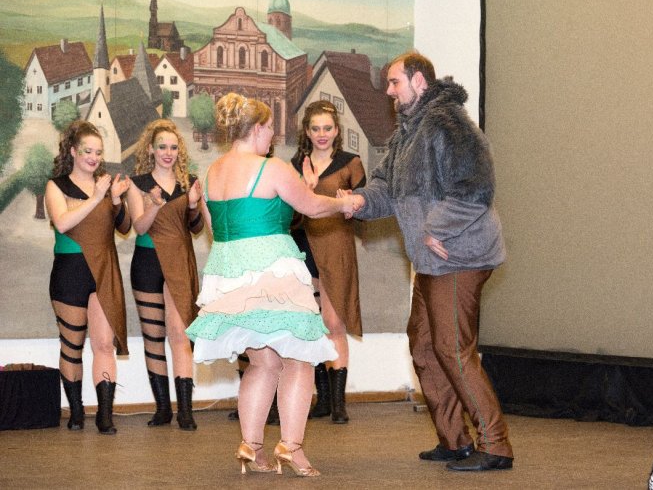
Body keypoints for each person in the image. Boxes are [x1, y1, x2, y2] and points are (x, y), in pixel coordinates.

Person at [342, 51, 514, 471]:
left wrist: (436, 227)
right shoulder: (407, 132)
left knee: (451, 348)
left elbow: (476, 186)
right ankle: (455, 441)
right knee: (422, 344)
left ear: (419, 81)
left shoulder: (447, 122)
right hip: (431, 260)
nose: (389, 91)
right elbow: (385, 187)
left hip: (459, 256)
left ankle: (495, 445)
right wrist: (359, 201)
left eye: (394, 82)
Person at [185, 93, 359, 477]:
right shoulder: (272, 167)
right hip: (272, 269)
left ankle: (251, 445)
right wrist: (343, 204)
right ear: (257, 128)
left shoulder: (213, 172)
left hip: (228, 270)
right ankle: (291, 447)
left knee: (262, 363)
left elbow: (215, 230)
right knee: (298, 360)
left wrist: (304, 188)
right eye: (269, 130)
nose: (272, 138)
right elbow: (312, 206)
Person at [45, 120, 131, 434]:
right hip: (70, 272)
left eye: (98, 152)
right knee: (72, 347)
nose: (94, 157)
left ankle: (105, 416)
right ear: (73, 151)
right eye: (87, 151)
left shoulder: (106, 185)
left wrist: (116, 199)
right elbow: (62, 222)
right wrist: (96, 197)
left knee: (104, 345)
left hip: (104, 272)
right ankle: (77, 412)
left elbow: (125, 227)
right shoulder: (56, 186)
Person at [127, 119, 207, 430]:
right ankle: (163, 409)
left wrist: (193, 205)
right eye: (162, 146)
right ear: (151, 149)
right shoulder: (138, 183)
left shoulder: (190, 182)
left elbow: (196, 228)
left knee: (180, 334)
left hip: (179, 262)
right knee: (153, 337)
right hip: (147, 263)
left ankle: (185, 410)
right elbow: (139, 226)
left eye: (173, 147)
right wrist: (155, 205)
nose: (168, 152)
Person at [290, 100, 366, 424]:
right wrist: (304, 188)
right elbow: (289, 214)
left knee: (334, 323)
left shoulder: (351, 163)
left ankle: (338, 404)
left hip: (336, 247)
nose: (322, 134)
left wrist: (352, 205)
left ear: (337, 131)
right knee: (312, 325)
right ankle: (321, 399)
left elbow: (365, 209)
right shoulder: (297, 164)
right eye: (316, 128)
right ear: (307, 132)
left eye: (328, 128)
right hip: (303, 245)